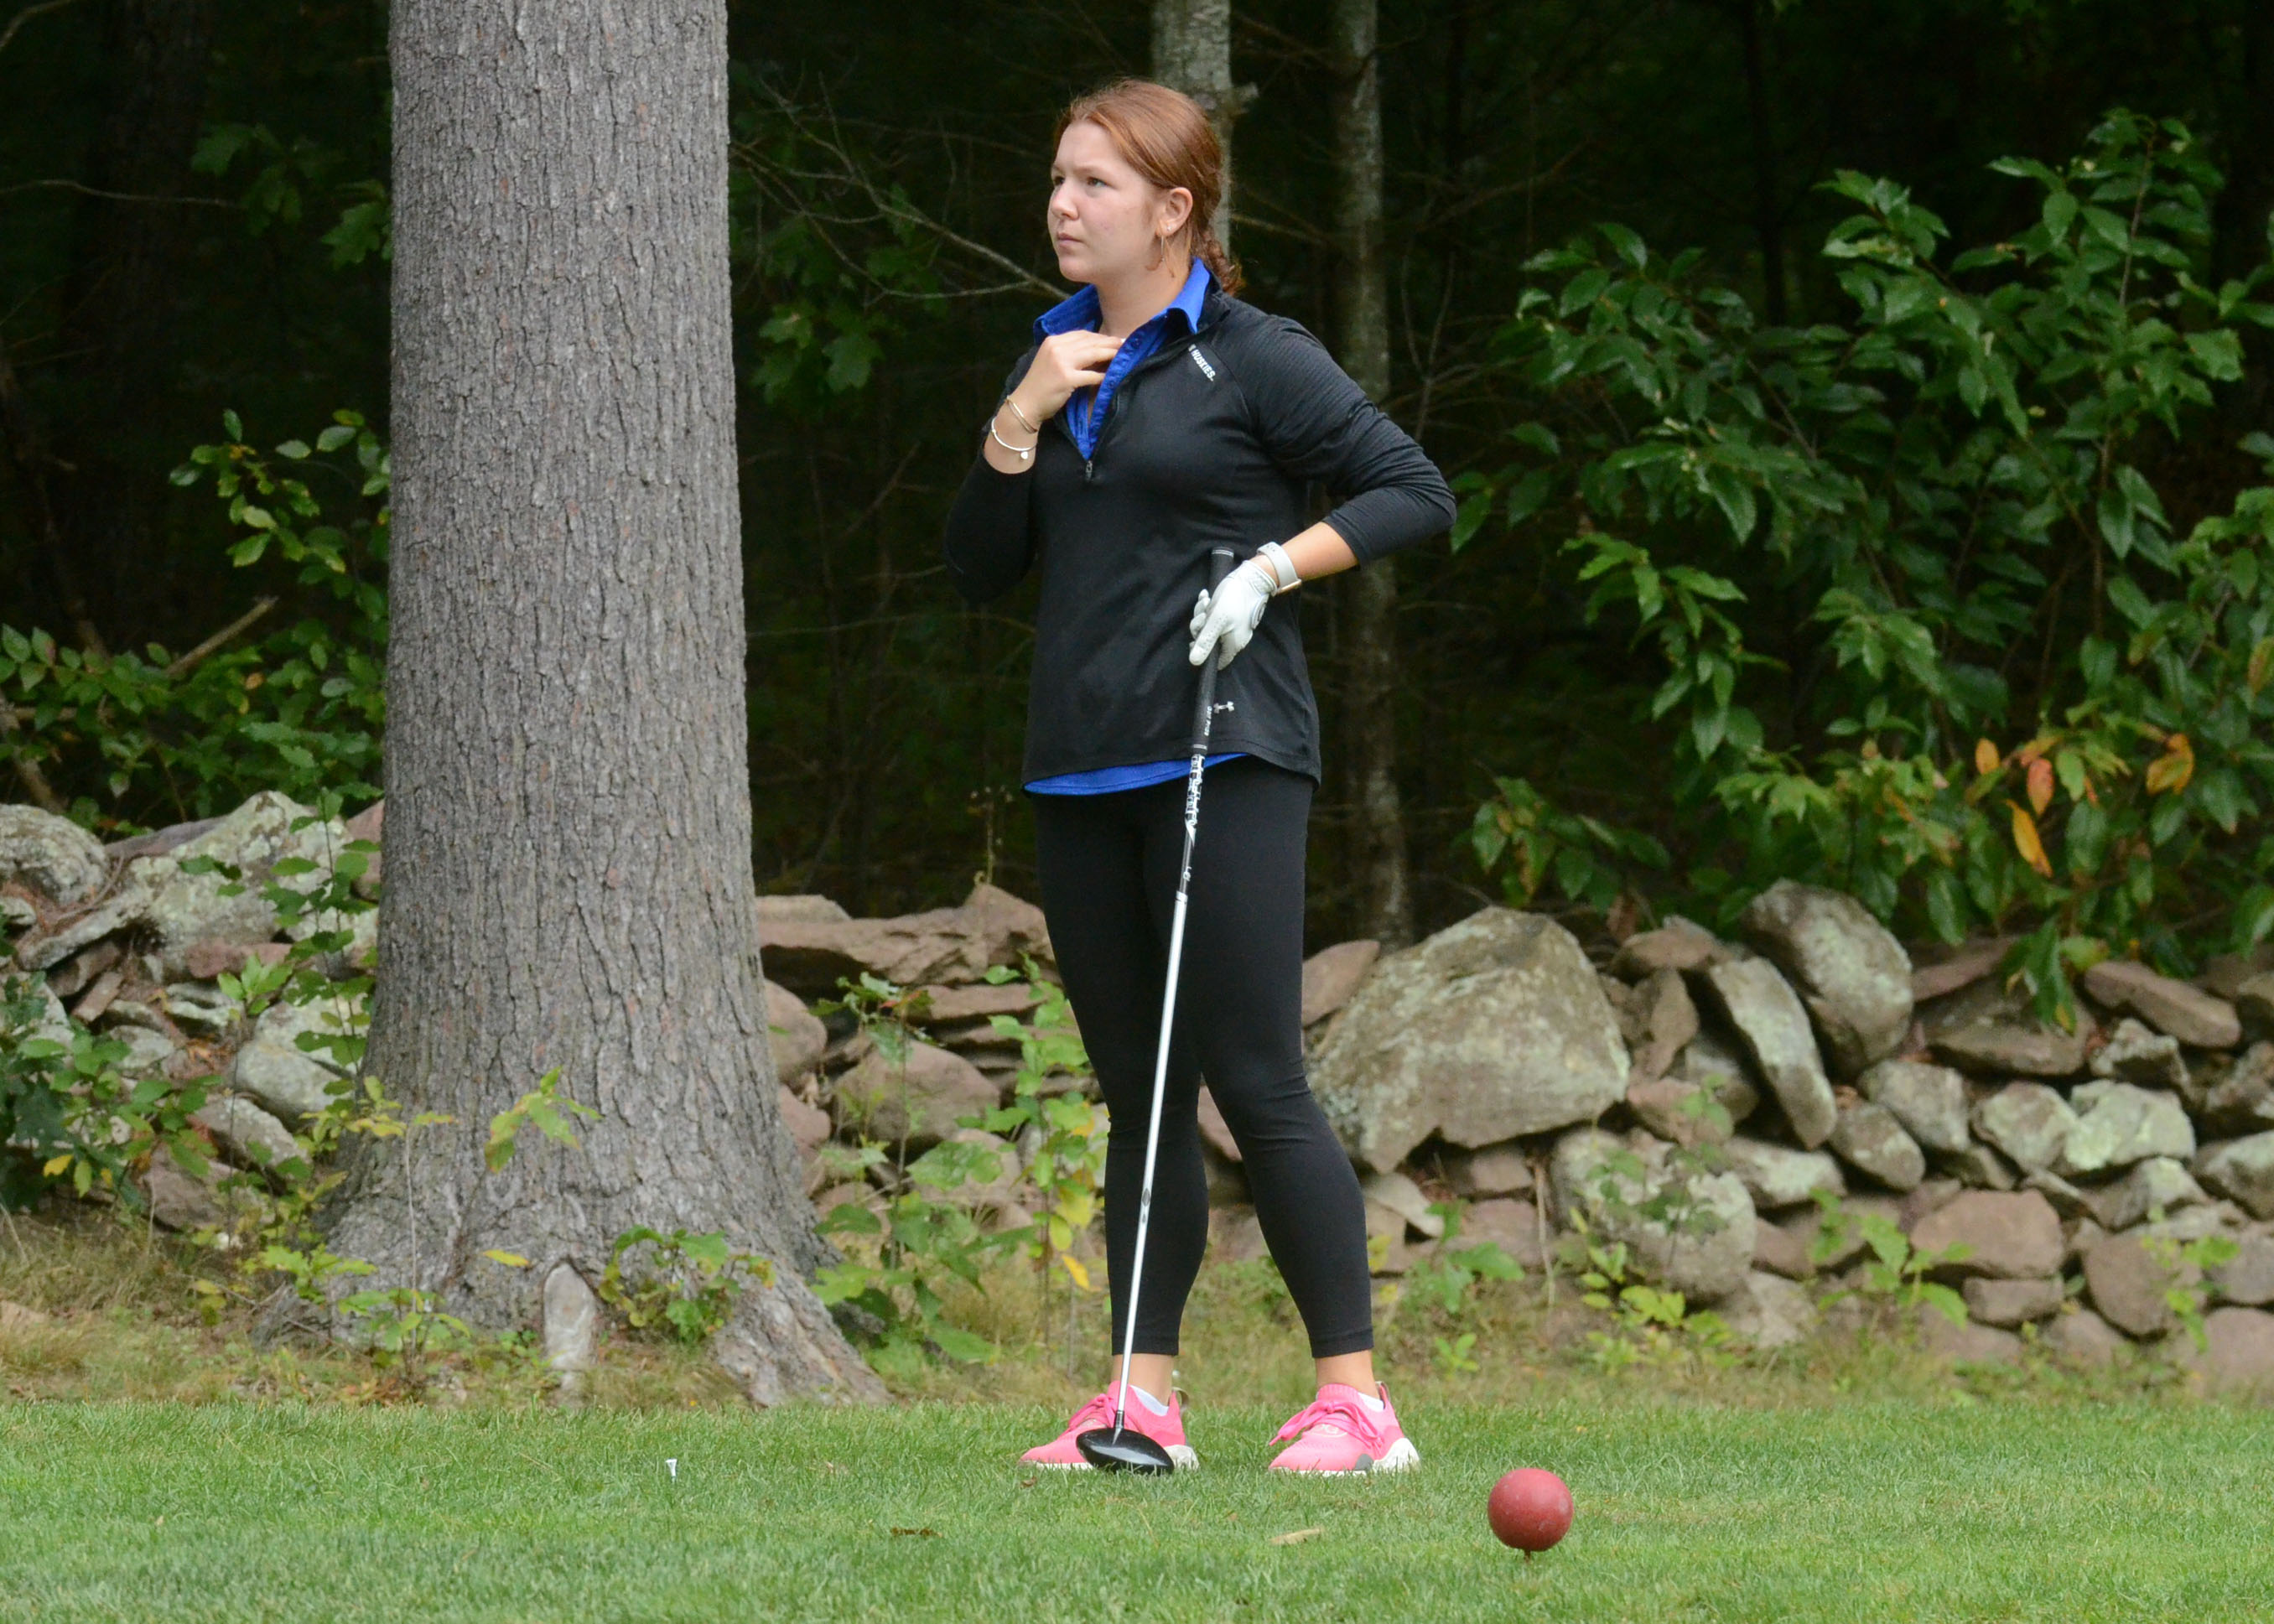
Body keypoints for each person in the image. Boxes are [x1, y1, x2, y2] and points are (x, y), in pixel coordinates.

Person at [941, 77, 1455, 1473]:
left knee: (1254, 1071)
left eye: (1095, 184)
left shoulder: (1251, 352)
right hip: (1081, 768)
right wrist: (1018, 418)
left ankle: (1357, 1403)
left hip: (1228, 751)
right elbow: (980, 567)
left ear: (1175, 210)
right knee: (1141, 1090)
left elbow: (1414, 488)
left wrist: (1278, 566)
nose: (1062, 203)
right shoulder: (1049, 353)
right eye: (1058, 178)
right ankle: (1139, 1400)